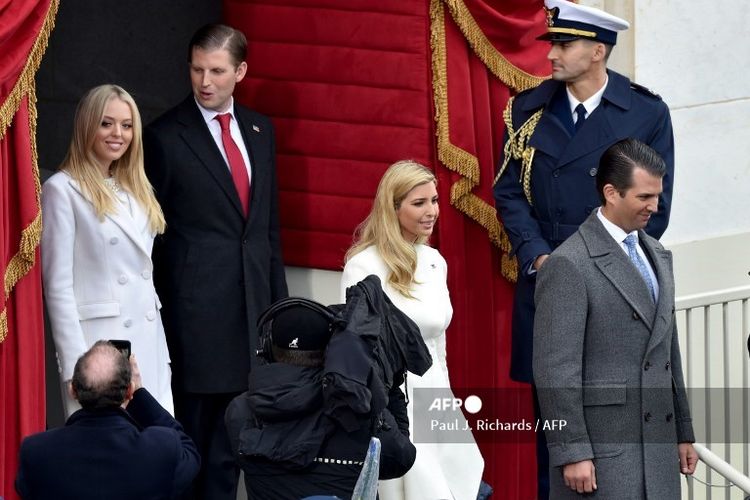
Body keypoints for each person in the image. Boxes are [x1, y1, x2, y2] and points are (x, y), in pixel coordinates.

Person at [493, 1, 675, 495]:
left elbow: (654, 211)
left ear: (598, 51)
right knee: (555, 423)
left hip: (616, 294)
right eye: (551, 42)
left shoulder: (645, 112)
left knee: (622, 434)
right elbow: (508, 191)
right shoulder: (527, 109)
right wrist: (537, 255)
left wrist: (598, 270)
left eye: (562, 44)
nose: (550, 54)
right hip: (548, 277)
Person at [143, 23, 288, 499]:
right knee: (194, 450)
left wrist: (280, 315)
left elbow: (265, 231)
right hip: (195, 323)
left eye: (217, 71)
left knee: (235, 450)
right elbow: (154, 241)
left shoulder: (259, 130)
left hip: (252, 321)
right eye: (197, 69)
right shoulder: (164, 136)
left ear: (240, 71)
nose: (205, 81)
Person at [533, 139, 697, 498]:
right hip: (604, 457)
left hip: (659, 449)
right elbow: (554, 370)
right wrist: (571, 450)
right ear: (611, 192)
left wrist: (683, 432)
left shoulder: (657, 253)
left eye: (657, 195)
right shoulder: (568, 263)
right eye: (644, 197)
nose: (655, 206)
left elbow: (668, 353)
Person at [341, 160, 484, 500]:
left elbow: (439, 346)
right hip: (394, 405)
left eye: (434, 200)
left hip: (435, 398)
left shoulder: (435, 261)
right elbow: (357, 352)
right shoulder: (363, 265)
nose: (431, 211)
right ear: (392, 207)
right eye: (419, 203)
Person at [42, 84, 172, 416]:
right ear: (88, 125)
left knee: (155, 449)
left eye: (127, 125)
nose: (118, 134)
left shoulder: (135, 187)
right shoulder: (62, 190)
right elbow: (58, 287)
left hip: (148, 343)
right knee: (109, 454)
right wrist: (75, 367)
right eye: (106, 123)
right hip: (100, 350)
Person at [225, 297, 418, 499]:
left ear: (266, 349)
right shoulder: (360, 410)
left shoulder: (239, 412)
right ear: (329, 351)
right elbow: (401, 459)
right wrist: (390, 387)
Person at [16, 341, 199, 500]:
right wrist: (140, 394)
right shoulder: (160, 449)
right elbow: (189, 451)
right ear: (128, 392)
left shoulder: (36, 452)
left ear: (73, 390)